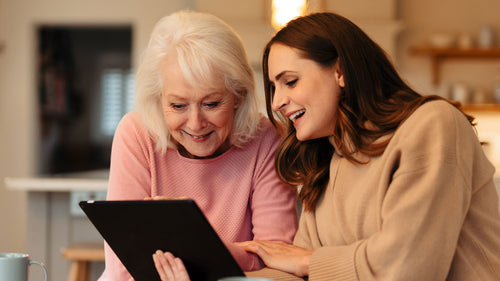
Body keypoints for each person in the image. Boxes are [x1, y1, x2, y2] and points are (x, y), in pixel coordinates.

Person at [236, 12, 500, 281]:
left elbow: (408, 268)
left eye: (290, 82)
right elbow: (297, 272)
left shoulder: (433, 124)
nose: (278, 101)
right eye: (273, 87)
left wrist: (308, 261)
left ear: (340, 71)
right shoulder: (325, 166)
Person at [97, 10, 298, 281]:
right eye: (178, 105)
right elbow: (124, 266)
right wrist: (232, 256)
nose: (195, 123)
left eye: (211, 104)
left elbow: (279, 260)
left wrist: (188, 238)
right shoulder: (136, 133)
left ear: (238, 95)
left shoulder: (266, 138)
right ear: (158, 99)